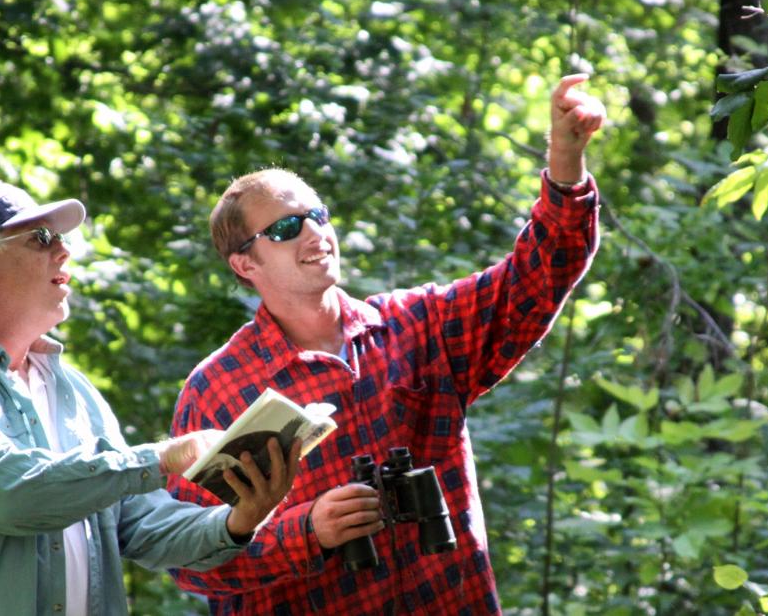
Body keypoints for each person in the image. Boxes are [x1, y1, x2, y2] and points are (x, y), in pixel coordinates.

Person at [167, 74, 605, 614]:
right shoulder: (217, 390)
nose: (314, 234)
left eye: (317, 215)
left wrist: (565, 159)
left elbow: (540, 274)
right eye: (285, 229)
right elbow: (190, 559)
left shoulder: (416, 325)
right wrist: (308, 530)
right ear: (244, 263)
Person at [0, 181, 303, 615]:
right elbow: (9, 494)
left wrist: (238, 520)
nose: (64, 250)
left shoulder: (76, 392)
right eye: (41, 237)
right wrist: (163, 458)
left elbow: (140, 524)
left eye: (60, 238)